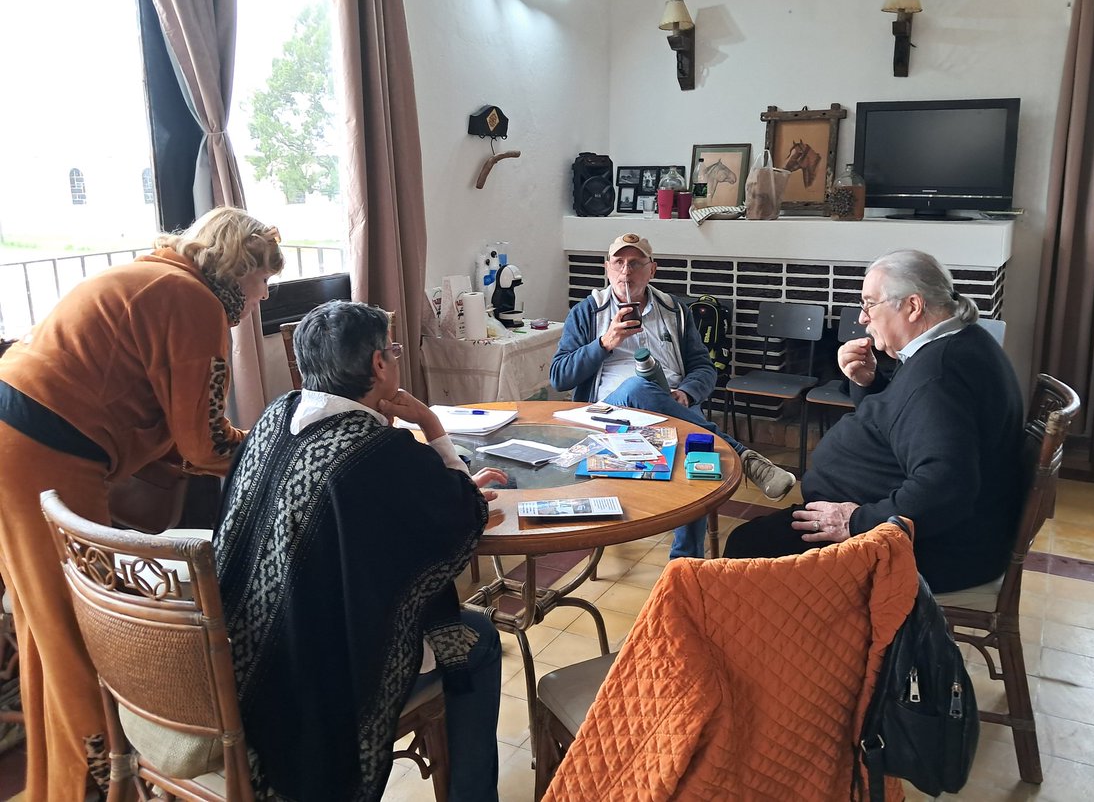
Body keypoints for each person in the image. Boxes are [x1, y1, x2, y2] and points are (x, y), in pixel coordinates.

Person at [0, 207, 284, 799]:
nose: (262, 297)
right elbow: (203, 440)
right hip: (45, 450)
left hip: (19, 435)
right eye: (263, 282)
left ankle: (56, 785)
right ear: (241, 268)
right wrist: (274, 447)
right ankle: (98, 789)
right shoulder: (197, 302)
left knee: (42, 627)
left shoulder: (157, 276)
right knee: (83, 634)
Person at [214, 301, 506, 802]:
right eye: (392, 350)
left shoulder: (274, 416)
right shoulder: (377, 453)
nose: (394, 357)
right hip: (314, 682)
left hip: (236, 657)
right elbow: (462, 513)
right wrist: (432, 428)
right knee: (477, 638)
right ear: (378, 365)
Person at [724, 249, 1025, 594]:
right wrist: (870, 383)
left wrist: (855, 522)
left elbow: (946, 486)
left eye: (870, 304)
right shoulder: (957, 342)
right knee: (755, 542)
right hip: (938, 534)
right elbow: (904, 421)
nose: (863, 318)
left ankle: (809, 646)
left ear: (913, 306)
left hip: (937, 551)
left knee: (747, 551)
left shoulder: (939, 377)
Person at [550, 232, 796, 560]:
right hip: (608, 422)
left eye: (636, 263)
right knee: (640, 388)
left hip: (671, 416)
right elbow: (559, 376)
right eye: (619, 263)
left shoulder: (675, 311)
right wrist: (605, 342)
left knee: (697, 462)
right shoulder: (588, 312)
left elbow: (705, 369)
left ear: (653, 270)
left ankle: (684, 565)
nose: (626, 271)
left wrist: (685, 393)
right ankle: (743, 455)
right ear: (607, 268)